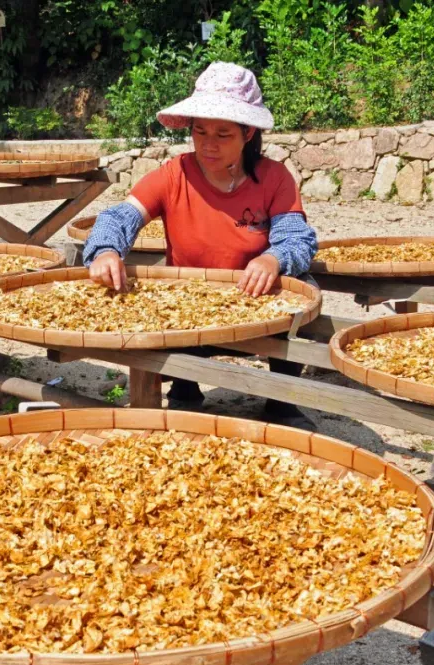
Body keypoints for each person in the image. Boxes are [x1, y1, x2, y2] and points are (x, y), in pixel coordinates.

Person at [83, 62, 318, 430]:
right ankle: (185, 385)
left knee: (302, 287)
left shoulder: (274, 177)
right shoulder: (174, 174)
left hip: (254, 298)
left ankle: (281, 399)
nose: (209, 144)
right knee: (149, 294)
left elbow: (296, 238)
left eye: (223, 134)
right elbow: (118, 217)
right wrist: (106, 251)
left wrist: (273, 258)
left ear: (248, 132)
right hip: (189, 301)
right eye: (200, 131)